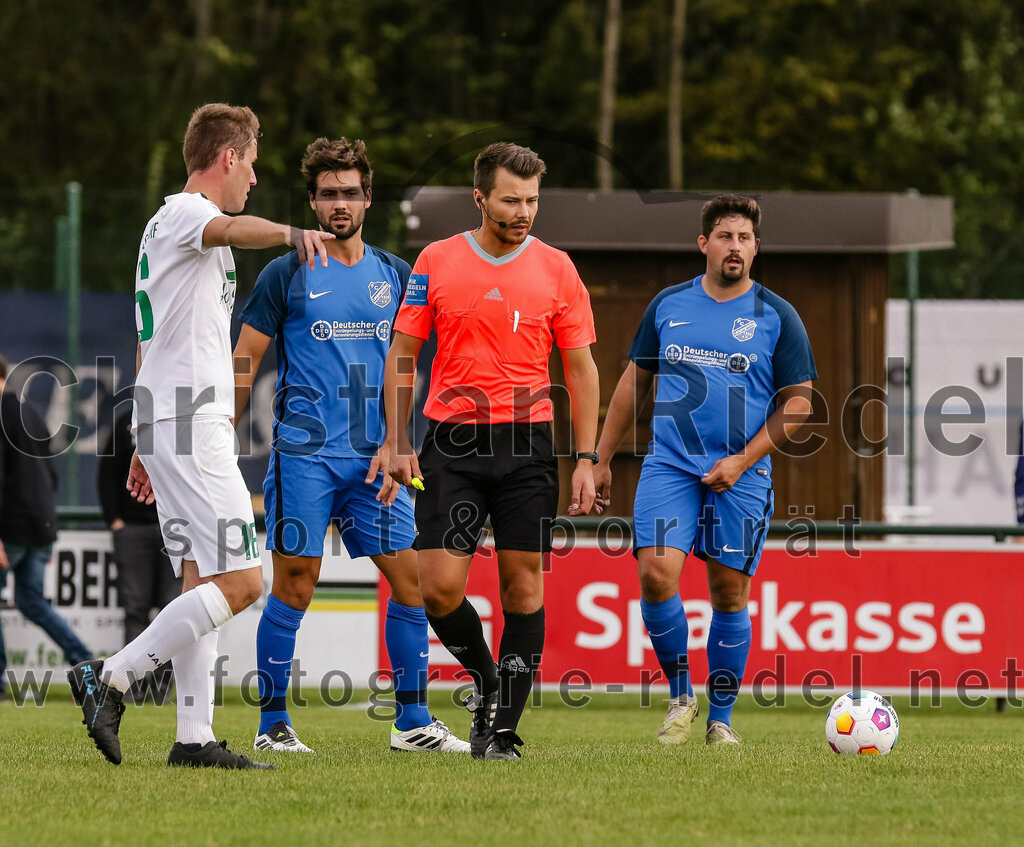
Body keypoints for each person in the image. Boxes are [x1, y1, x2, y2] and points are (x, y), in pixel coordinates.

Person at [68, 103, 332, 769]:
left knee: (200, 577)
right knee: (244, 582)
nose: (253, 177)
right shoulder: (188, 214)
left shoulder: (164, 226)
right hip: (189, 421)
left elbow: (148, 339)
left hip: (169, 419)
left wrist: (141, 438)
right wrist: (288, 231)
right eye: (250, 164)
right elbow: (232, 226)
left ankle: (193, 737)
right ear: (226, 159)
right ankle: (113, 676)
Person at [232, 137, 469, 755]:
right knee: (296, 585)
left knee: (409, 580)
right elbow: (244, 361)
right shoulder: (285, 272)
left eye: (351, 192)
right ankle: (272, 727)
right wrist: (218, 440)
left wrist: (400, 442)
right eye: (329, 193)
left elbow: (408, 363)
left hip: (377, 463)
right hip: (304, 456)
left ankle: (412, 722)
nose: (341, 203)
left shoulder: (396, 275)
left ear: (368, 199)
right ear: (312, 200)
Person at [384, 142, 600, 761]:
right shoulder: (436, 260)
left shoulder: (558, 269)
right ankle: (487, 679)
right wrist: (398, 441)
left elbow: (581, 370)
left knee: (522, 585)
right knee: (439, 589)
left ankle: (500, 729)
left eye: (532, 200)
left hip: (528, 444)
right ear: (480, 198)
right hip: (450, 442)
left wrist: (585, 458)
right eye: (510, 200)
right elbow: (403, 355)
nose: (523, 211)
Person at [593, 195, 816, 746]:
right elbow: (632, 383)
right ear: (704, 244)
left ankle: (721, 719)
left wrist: (743, 460)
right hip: (669, 465)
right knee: (655, 574)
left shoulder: (777, 315)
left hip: (741, 473)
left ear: (756, 248)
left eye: (744, 238)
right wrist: (598, 459)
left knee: (728, 594)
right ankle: (680, 696)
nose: (734, 246)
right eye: (724, 236)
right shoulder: (669, 305)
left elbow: (800, 402)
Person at [0, 354, 93, 701]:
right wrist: (48, 528)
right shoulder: (31, 413)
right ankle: (84, 661)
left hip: (10, 527)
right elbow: (50, 475)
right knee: (31, 602)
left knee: (30, 601)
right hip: (40, 525)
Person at [98, 408, 182, 704]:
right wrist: (115, 522)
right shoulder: (125, 423)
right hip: (133, 530)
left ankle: (162, 690)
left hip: (172, 529)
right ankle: (131, 687)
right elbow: (107, 475)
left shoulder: (178, 422)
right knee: (135, 609)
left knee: (172, 611)